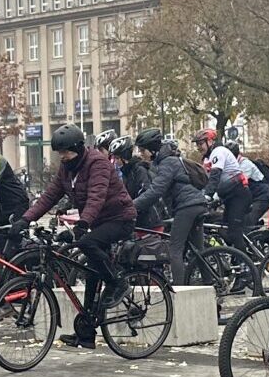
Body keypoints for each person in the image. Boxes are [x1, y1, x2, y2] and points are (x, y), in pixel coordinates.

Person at [23, 123, 136, 350]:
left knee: (87, 243)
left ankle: (118, 282)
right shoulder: (67, 169)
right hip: (99, 221)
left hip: (120, 218)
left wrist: (84, 222)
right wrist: (25, 219)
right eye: (59, 153)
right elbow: (49, 196)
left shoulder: (98, 163)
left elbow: (97, 195)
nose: (62, 157)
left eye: (65, 152)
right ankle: (86, 333)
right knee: (93, 273)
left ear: (78, 147)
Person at [134, 130, 210, 284]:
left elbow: (156, 190)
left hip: (187, 206)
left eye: (143, 150)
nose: (141, 154)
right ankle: (211, 283)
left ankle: (179, 291)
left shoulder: (167, 162)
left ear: (153, 150)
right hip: (196, 203)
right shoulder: (168, 160)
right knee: (198, 250)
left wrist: (132, 205)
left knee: (175, 249)